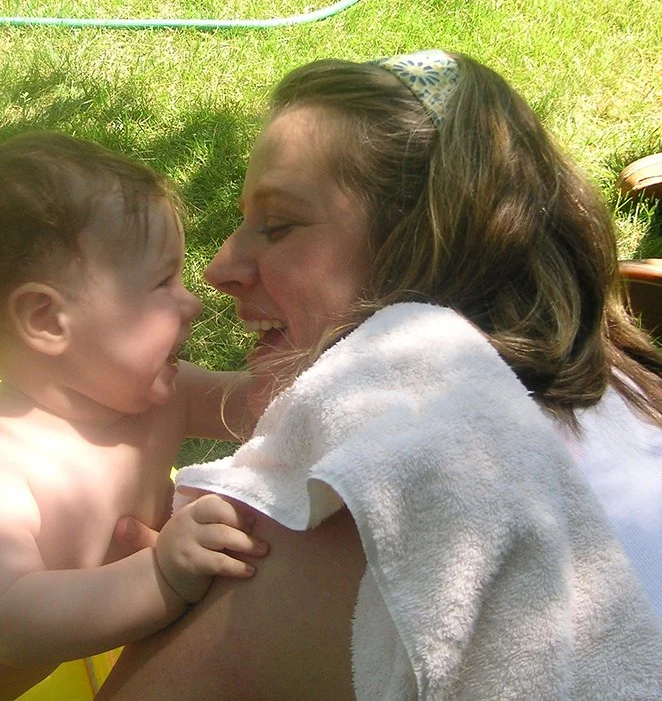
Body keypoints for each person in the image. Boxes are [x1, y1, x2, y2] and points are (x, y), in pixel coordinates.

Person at [100, 50, 662, 700]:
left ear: (426, 251)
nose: (220, 266)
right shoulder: (626, 393)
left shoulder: (377, 487)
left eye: (277, 226)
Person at [0, 132, 269, 701]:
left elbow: (261, 408)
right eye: (162, 282)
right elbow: (13, 616)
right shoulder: (12, 458)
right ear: (48, 321)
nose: (192, 301)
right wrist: (160, 577)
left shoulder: (163, 395)